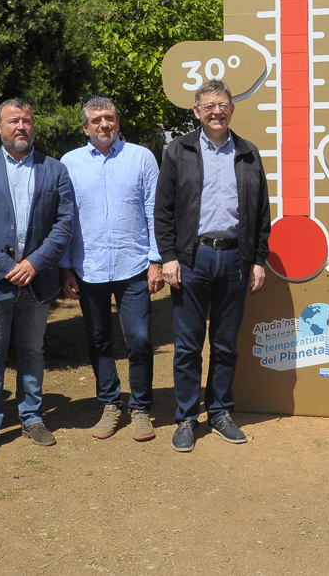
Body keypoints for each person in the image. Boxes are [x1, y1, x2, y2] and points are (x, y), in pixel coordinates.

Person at [154, 79, 271, 453]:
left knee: (225, 344)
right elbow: (163, 210)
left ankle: (219, 413)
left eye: (223, 105)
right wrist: (168, 256)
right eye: (209, 105)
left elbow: (262, 213)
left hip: (235, 259)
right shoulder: (180, 150)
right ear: (197, 111)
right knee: (188, 346)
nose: (217, 111)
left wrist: (258, 260)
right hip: (193, 259)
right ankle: (187, 417)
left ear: (232, 109)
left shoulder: (248, 153)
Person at [0, 97, 75, 456]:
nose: (21, 127)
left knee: (32, 351)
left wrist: (35, 263)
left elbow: (64, 223)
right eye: (13, 121)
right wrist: (6, 267)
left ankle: (32, 417)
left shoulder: (54, 170)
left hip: (37, 281)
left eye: (26, 120)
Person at [60, 96, 163, 442]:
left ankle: (141, 408)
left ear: (117, 121)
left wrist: (156, 260)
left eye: (109, 117)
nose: (104, 124)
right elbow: (66, 219)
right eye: (96, 120)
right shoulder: (70, 162)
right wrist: (65, 268)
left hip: (133, 265)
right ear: (85, 127)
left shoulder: (141, 157)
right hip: (88, 267)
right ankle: (110, 404)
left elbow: (154, 210)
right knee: (98, 339)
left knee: (140, 338)